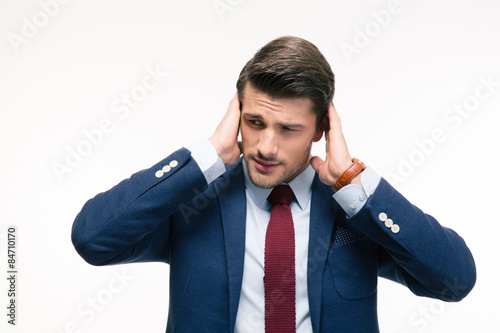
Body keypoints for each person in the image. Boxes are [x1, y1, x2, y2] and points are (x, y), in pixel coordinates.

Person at [71, 36, 476, 332]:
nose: (266, 146)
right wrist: (207, 156)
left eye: (288, 129)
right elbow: (93, 239)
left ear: (322, 129)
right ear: (237, 113)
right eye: (255, 122)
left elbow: (454, 280)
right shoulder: (194, 202)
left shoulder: (354, 209)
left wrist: (355, 180)